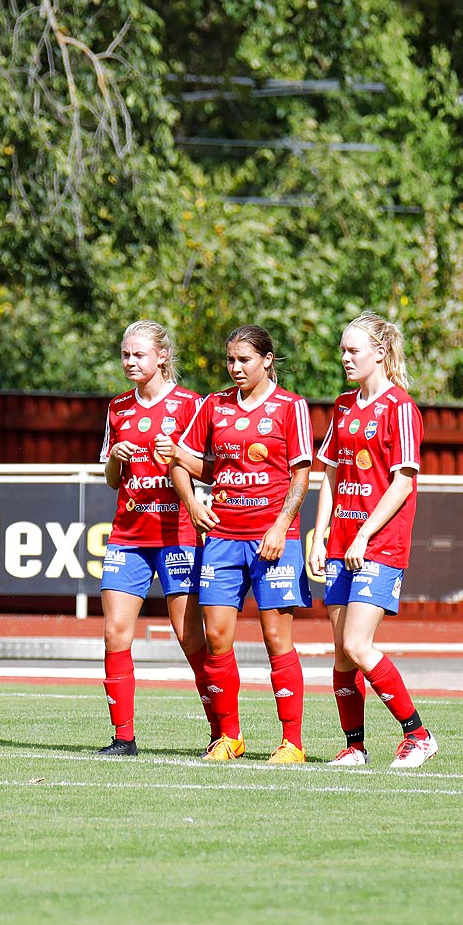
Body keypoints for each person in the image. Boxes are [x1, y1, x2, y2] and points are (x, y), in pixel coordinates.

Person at [170, 325, 313, 763]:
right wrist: (193, 504)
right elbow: (181, 457)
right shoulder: (214, 405)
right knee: (216, 636)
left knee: (275, 637)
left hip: (274, 538)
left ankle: (292, 743)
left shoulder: (291, 407)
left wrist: (280, 525)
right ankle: (229, 737)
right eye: (230, 360)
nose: (235, 368)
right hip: (223, 539)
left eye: (244, 360)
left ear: (268, 360)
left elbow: (302, 473)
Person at [309, 313, 437, 768]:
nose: (345, 358)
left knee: (359, 645)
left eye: (353, 350)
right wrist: (320, 533)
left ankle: (418, 734)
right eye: (342, 350)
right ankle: (355, 746)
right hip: (343, 542)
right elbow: (330, 472)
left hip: (379, 544)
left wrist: (363, 533)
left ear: (379, 353)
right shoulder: (344, 406)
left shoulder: (401, 408)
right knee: (343, 653)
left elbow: (402, 482)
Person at [94, 321, 210, 756]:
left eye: (138, 354)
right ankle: (124, 738)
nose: (130, 362)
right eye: (125, 354)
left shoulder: (189, 405)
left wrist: (177, 455)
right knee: (115, 634)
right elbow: (110, 479)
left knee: (190, 638)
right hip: (128, 534)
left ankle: (222, 734)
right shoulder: (118, 408)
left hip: (177, 535)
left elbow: (210, 469)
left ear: (162, 356)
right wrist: (116, 461)